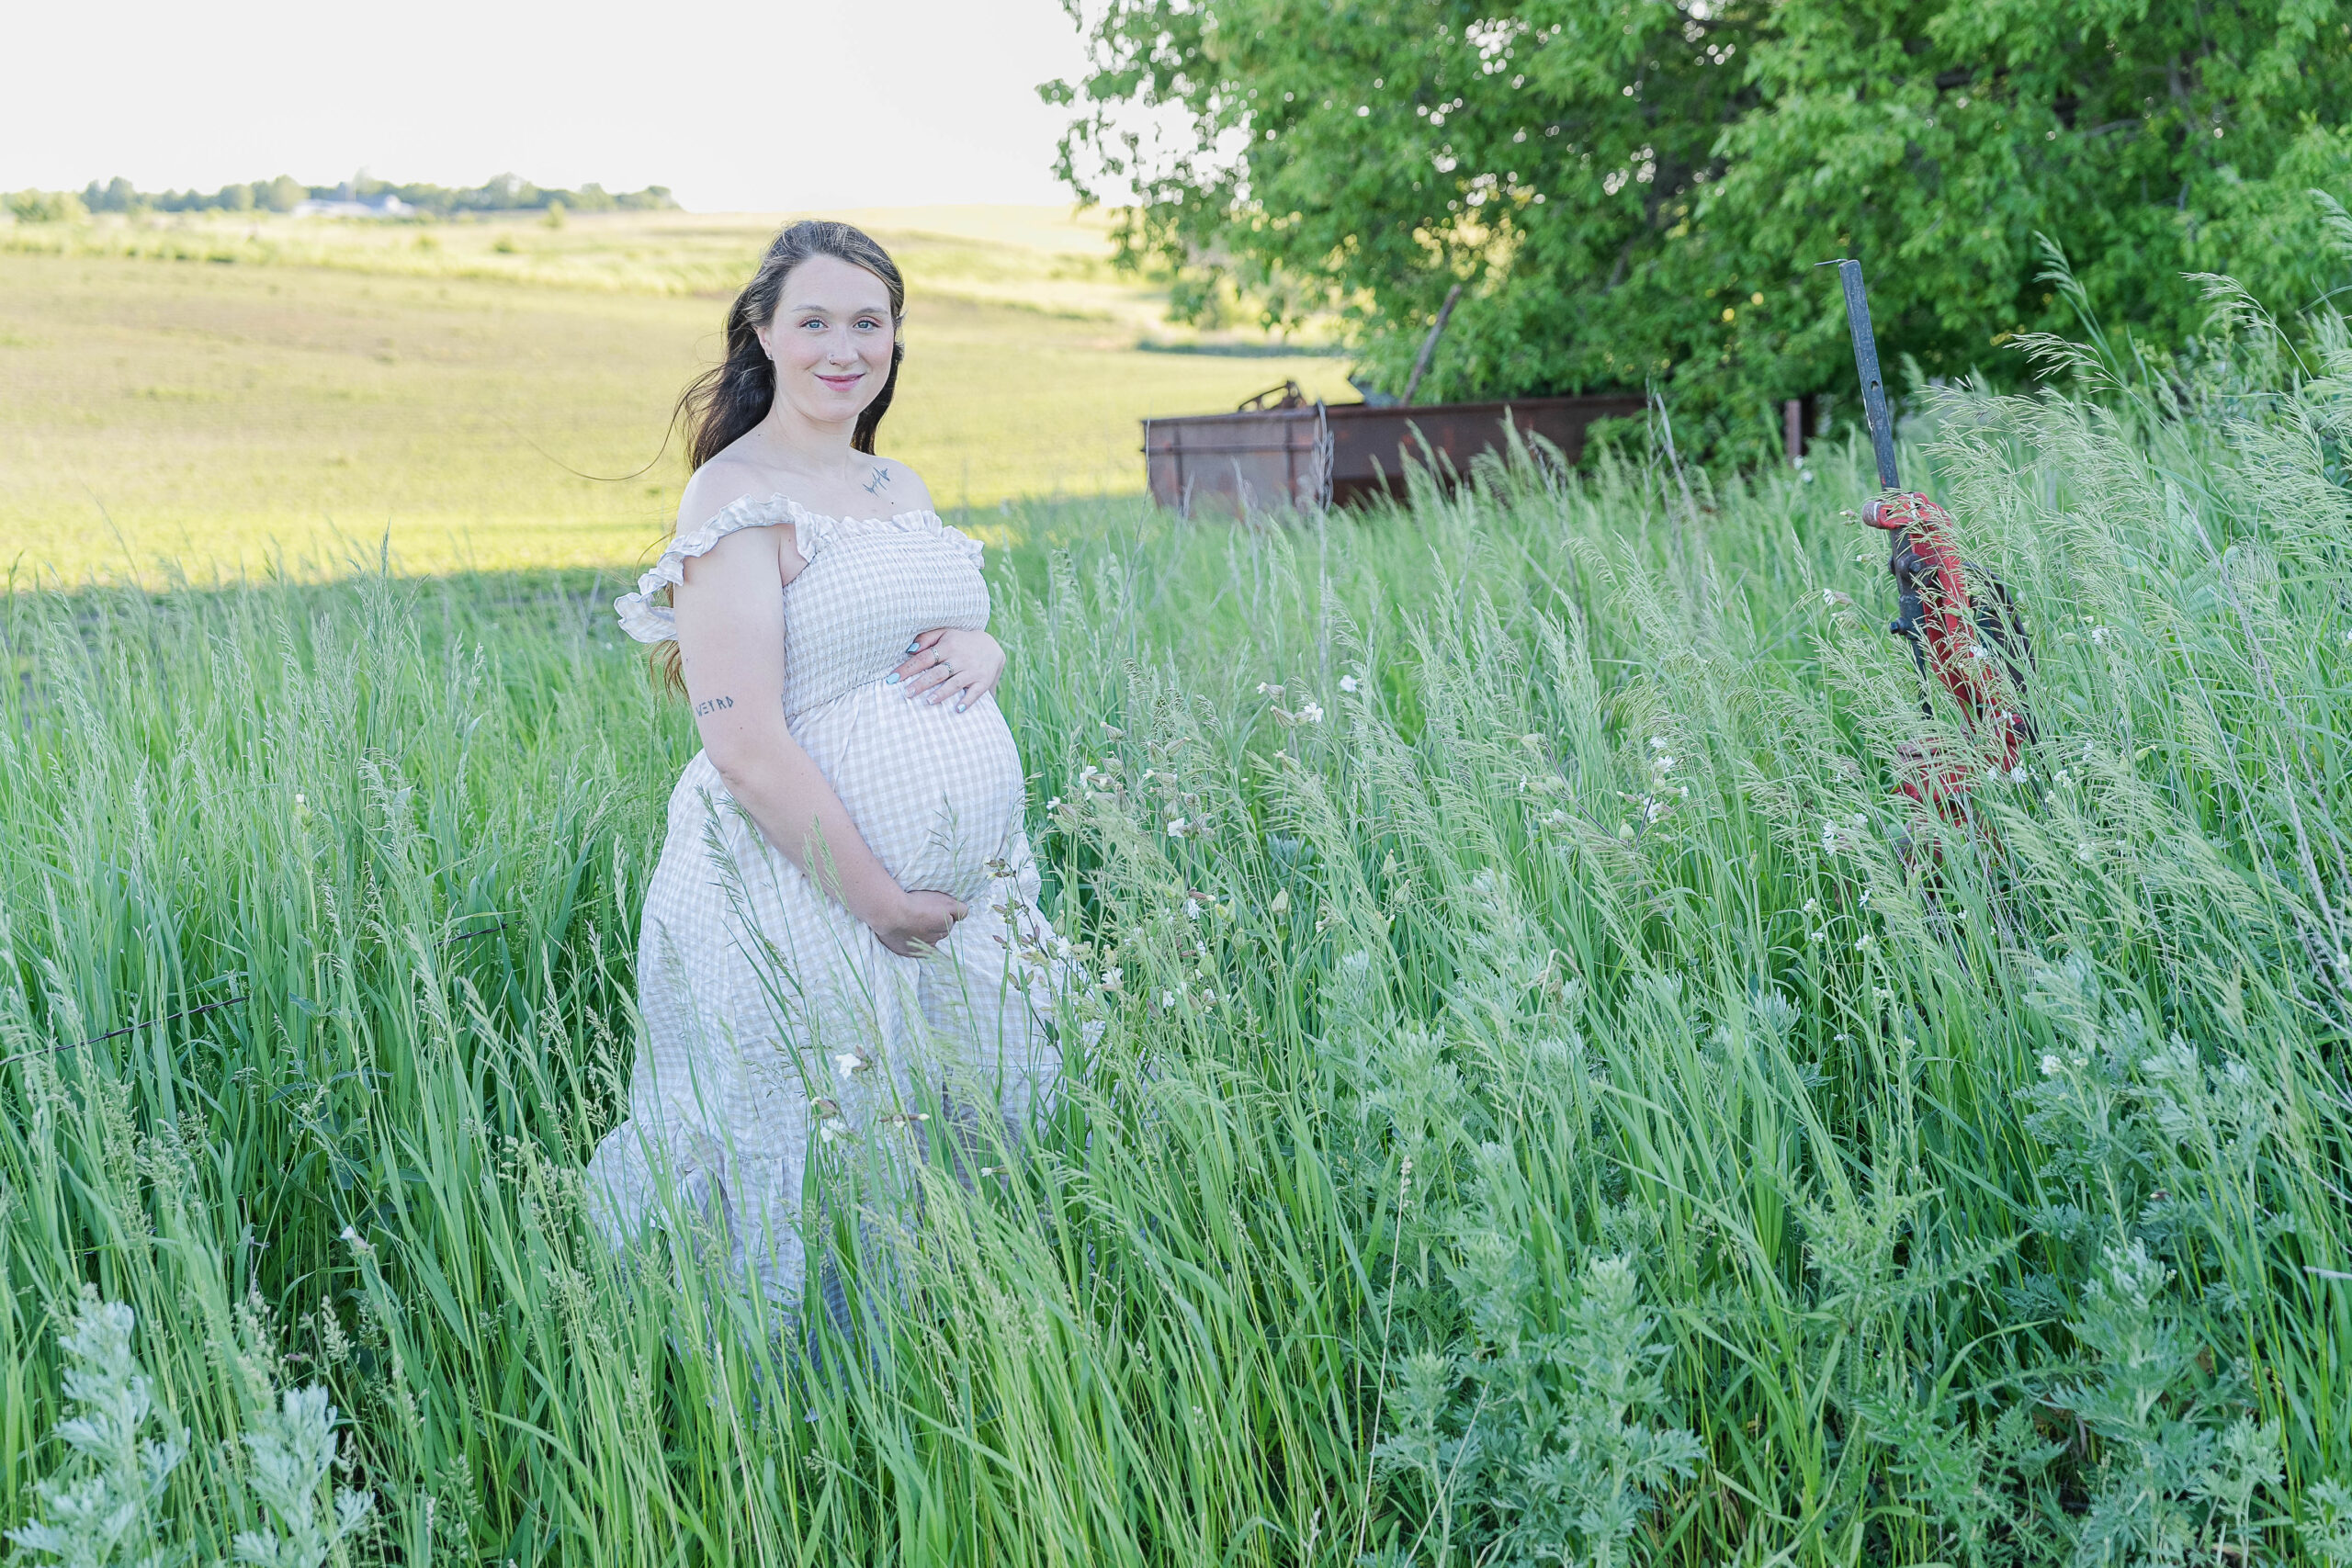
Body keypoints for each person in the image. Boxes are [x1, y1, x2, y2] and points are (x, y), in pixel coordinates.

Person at [588, 220, 1073, 1311]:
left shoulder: (893, 480)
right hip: (803, 888)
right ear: (761, 335)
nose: (843, 347)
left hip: (959, 902)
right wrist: (878, 900)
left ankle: (957, 1353)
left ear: (897, 340)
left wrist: (986, 648)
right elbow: (745, 743)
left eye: (869, 322)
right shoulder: (732, 497)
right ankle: (781, 1418)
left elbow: (923, 630)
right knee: (814, 1151)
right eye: (813, 322)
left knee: (967, 1137)